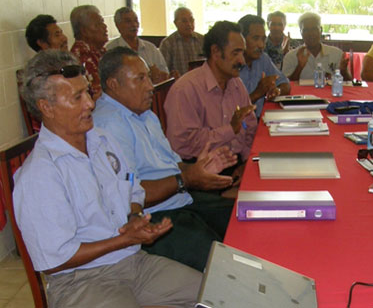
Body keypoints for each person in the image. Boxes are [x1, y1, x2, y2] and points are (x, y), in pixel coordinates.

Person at [13, 49, 201, 307]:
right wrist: (124, 239)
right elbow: (55, 258)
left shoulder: (102, 140)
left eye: (87, 92)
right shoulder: (39, 174)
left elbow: (133, 188)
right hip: (80, 282)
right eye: (76, 97)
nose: (90, 104)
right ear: (47, 107)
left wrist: (135, 218)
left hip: (133, 262)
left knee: (214, 295)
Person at [93, 47, 239, 271]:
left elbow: (171, 165)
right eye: (140, 79)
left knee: (242, 221)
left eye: (148, 78)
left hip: (179, 199)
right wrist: (187, 178)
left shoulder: (145, 115)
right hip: (151, 218)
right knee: (223, 267)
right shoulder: (109, 125)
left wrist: (199, 168)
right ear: (113, 85)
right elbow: (128, 197)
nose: (150, 86)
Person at [164, 21, 257, 184]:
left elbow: (250, 128)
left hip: (236, 166)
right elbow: (183, 145)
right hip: (199, 173)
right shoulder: (186, 89)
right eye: (235, 53)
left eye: (242, 53)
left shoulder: (236, 84)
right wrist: (230, 129)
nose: (242, 60)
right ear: (215, 52)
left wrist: (247, 164)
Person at [238, 14, 291, 118]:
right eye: (255, 38)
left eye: (263, 39)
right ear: (241, 39)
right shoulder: (229, 65)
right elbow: (227, 111)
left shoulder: (262, 58)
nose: (261, 45)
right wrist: (258, 93)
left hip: (259, 121)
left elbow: (285, 84)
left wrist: (276, 91)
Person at [106, 7, 171, 83]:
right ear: (118, 25)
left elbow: (165, 75)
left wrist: (160, 75)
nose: (134, 24)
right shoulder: (111, 50)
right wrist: (148, 75)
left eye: (136, 20)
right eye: (128, 21)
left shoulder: (151, 48)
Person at [282, 12, 352, 81]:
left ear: (321, 30)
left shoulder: (336, 54)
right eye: (306, 30)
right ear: (301, 32)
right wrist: (299, 67)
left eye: (314, 29)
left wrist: (343, 71)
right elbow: (286, 84)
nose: (310, 33)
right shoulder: (291, 57)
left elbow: (349, 83)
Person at [70, 5, 108, 98]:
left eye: (102, 22)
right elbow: (100, 95)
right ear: (84, 31)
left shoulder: (100, 51)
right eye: (98, 24)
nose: (105, 26)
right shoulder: (82, 56)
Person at [159, 7, 205, 76]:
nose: (189, 24)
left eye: (191, 20)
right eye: (184, 21)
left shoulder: (202, 40)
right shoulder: (168, 43)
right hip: (179, 84)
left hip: (202, 83)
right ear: (175, 23)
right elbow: (164, 71)